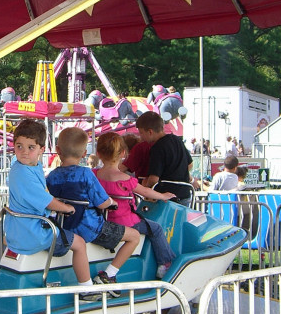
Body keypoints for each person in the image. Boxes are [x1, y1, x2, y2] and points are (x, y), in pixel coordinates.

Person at [4, 119, 101, 302]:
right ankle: (87, 289)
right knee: (79, 243)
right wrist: (68, 208)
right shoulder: (22, 173)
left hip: (22, 227)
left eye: (30, 147)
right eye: (19, 146)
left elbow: (42, 194)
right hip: (32, 232)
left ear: (41, 149)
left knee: (64, 234)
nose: (24, 152)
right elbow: (46, 201)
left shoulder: (29, 167)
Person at [46, 127, 140, 293]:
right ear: (84, 154)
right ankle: (109, 275)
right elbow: (102, 202)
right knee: (134, 236)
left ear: (58, 150)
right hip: (90, 227)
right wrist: (112, 202)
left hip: (66, 225)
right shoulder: (86, 174)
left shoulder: (52, 176)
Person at [95, 132, 177, 279]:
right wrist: (163, 196)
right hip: (125, 223)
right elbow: (145, 191)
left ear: (98, 153)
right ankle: (165, 263)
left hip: (102, 221)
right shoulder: (126, 179)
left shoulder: (94, 175)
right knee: (156, 228)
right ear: (123, 153)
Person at [136, 111, 194, 207]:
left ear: (150, 132)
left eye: (141, 133)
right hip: (185, 194)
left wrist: (144, 184)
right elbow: (190, 165)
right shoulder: (177, 140)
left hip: (167, 197)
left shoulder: (157, 148)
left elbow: (154, 179)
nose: (140, 137)